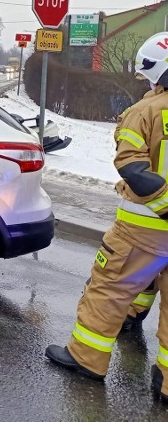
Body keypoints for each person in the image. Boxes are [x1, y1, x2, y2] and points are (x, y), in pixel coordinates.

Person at [45, 32, 168, 403]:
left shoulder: (146, 111)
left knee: (109, 287)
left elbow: (133, 168)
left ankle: (86, 358)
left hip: (144, 230)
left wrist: (163, 206)